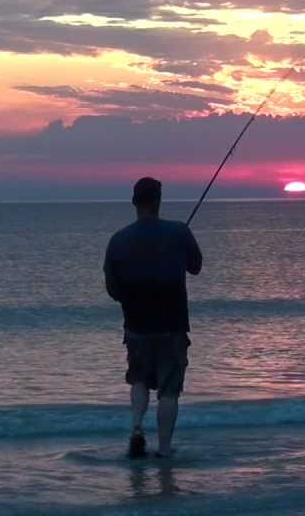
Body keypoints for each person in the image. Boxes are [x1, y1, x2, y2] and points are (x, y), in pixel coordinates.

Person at [103, 177, 203, 458]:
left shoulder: (118, 240)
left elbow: (112, 289)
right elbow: (196, 267)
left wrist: (131, 298)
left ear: (135, 202)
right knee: (169, 391)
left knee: (138, 380)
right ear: (159, 201)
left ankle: (136, 427)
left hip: (136, 326)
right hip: (172, 326)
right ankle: (164, 448)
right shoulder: (179, 232)